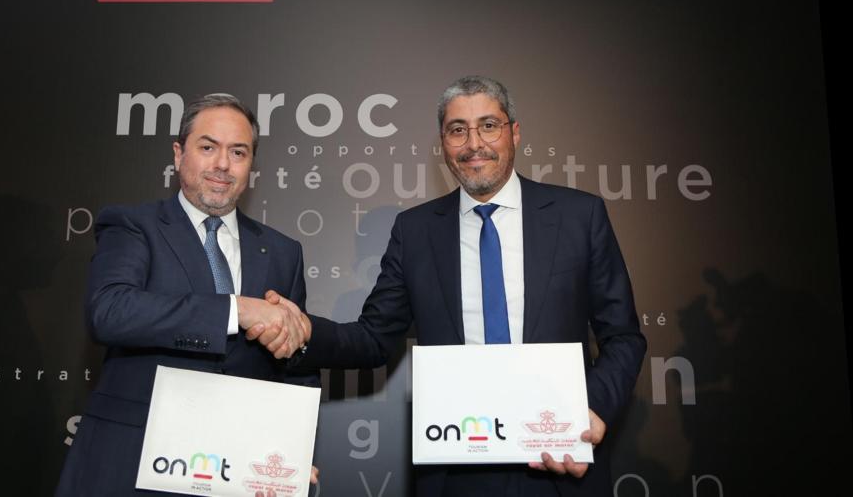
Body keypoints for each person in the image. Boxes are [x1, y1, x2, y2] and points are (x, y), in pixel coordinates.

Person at [254, 75, 646, 496]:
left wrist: (594, 408)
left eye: (488, 126)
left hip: (560, 458)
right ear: (442, 143)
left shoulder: (579, 216)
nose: (474, 143)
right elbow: (372, 338)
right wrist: (305, 331)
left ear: (514, 132)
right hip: (457, 467)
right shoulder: (415, 231)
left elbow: (623, 336)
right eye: (458, 130)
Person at [57, 94, 318, 496]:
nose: (223, 164)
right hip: (132, 464)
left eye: (238, 152)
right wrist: (235, 310)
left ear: (251, 164)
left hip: (239, 470)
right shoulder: (133, 225)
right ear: (179, 154)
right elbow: (109, 311)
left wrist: (293, 448)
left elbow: (295, 366)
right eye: (208, 147)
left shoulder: (284, 252)